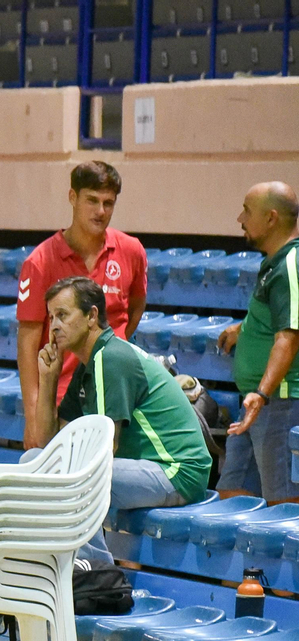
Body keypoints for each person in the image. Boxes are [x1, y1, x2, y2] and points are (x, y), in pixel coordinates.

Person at [29, 277, 212, 564]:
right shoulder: (89, 363)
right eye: (51, 317)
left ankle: (96, 574)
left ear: (91, 316)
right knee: (33, 459)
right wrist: (48, 379)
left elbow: (105, 449)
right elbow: (48, 443)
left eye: (63, 315)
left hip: (177, 471)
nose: (53, 326)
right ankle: (50, 565)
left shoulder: (110, 358)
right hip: (143, 469)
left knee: (80, 478)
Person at [15, 162, 149, 445]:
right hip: (64, 396)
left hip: (115, 393)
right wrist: (33, 416)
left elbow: (134, 309)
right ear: (72, 197)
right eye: (92, 200)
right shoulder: (40, 262)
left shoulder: (131, 251)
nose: (100, 211)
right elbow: (27, 344)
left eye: (108, 203)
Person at [217, 182, 299, 503]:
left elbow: (288, 337)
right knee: (231, 495)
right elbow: (279, 319)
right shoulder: (274, 263)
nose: (240, 218)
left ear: (271, 219)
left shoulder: (290, 266)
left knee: (282, 506)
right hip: (256, 407)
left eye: (247, 211)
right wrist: (246, 328)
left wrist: (262, 394)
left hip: (278, 403)